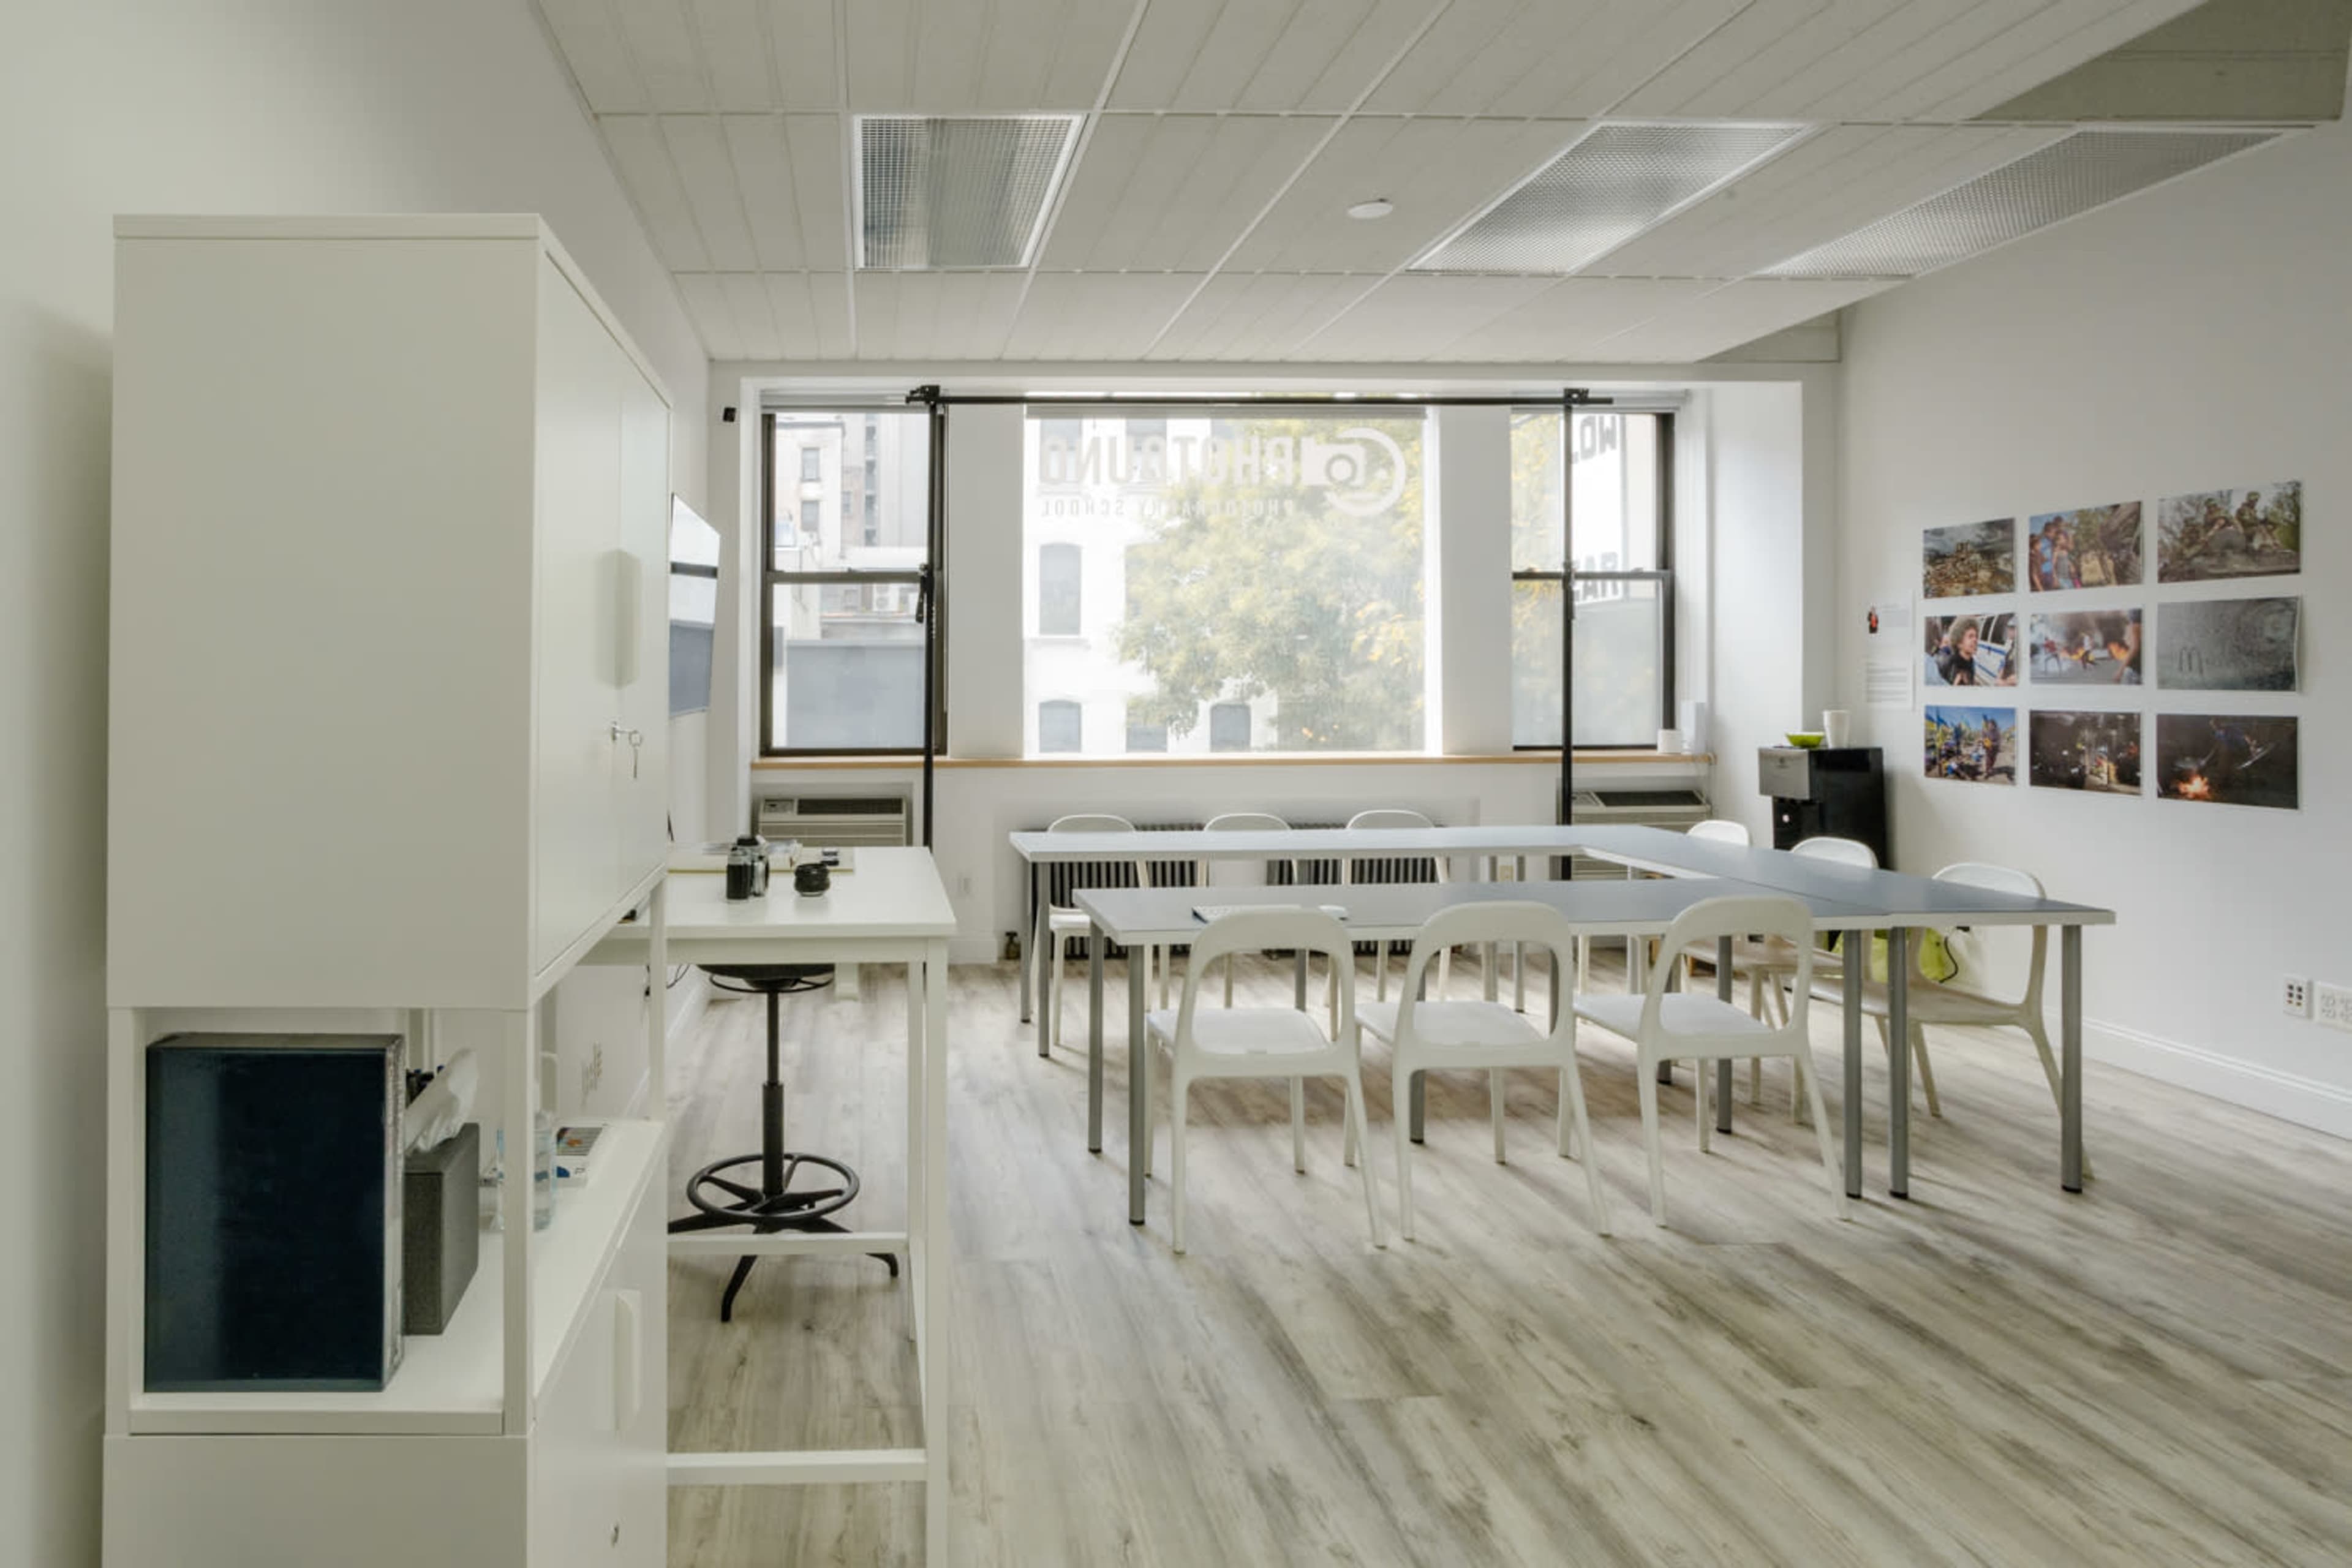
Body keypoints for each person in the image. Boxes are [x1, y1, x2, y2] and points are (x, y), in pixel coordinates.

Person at [1932, 617, 1980, 685]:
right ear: (1959, 643)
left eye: (1976, 636)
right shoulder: (1946, 664)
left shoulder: (1971, 663)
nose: (1975, 640)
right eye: (1970, 636)